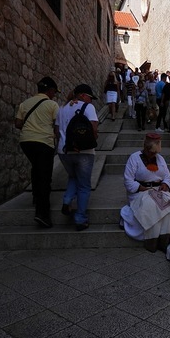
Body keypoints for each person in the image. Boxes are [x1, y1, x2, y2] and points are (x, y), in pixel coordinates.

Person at [120, 133, 170, 252]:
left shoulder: (160, 159)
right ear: (145, 148)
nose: (154, 155)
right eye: (152, 152)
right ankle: (151, 241)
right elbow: (128, 181)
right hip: (140, 193)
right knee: (152, 206)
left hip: (158, 192)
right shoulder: (134, 158)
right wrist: (143, 188)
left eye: (156, 153)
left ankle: (164, 240)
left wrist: (165, 184)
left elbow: (167, 177)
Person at [14, 76, 60, 228]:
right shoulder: (52, 105)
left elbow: (18, 123)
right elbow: (57, 125)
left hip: (26, 142)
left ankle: (35, 195)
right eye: (54, 92)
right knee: (45, 176)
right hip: (44, 142)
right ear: (50, 90)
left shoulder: (25, 103)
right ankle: (42, 213)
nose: (54, 95)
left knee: (36, 167)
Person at [55, 84, 99, 231]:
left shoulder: (62, 108)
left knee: (73, 176)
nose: (90, 101)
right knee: (84, 185)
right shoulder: (89, 108)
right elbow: (93, 128)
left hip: (64, 151)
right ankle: (80, 218)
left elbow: (56, 130)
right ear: (81, 95)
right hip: (84, 152)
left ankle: (67, 200)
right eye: (89, 97)